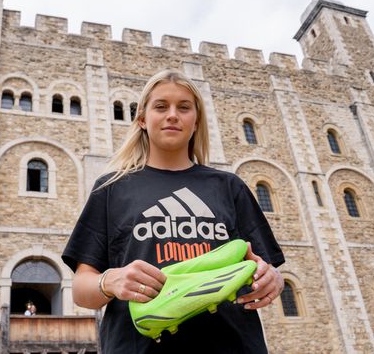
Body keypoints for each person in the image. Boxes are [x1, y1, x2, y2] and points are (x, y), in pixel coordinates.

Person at [62, 69, 285, 353]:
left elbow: (265, 269)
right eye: (160, 106)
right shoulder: (110, 188)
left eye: (183, 107)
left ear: (196, 121)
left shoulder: (230, 186)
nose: (172, 115)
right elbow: (82, 290)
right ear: (142, 119)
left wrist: (273, 280)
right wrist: (111, 281)